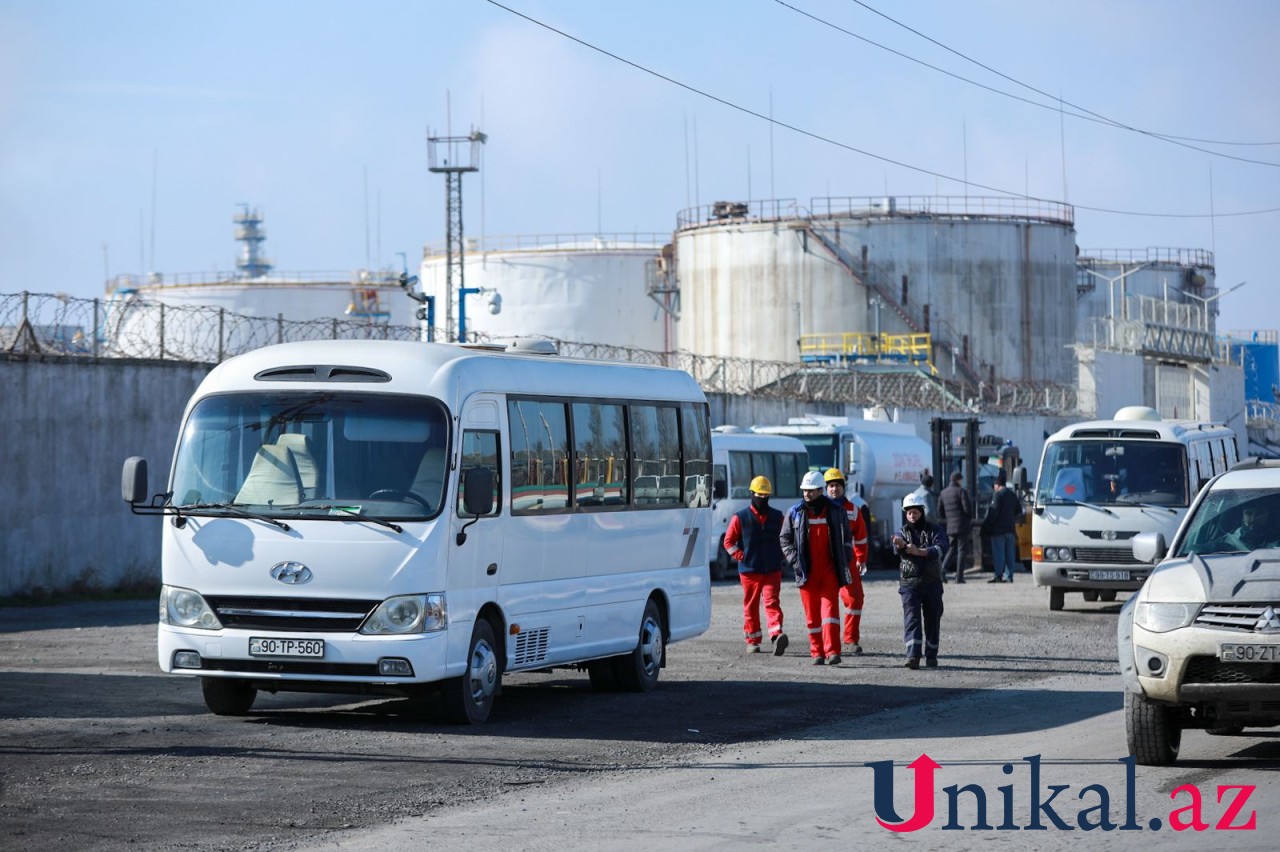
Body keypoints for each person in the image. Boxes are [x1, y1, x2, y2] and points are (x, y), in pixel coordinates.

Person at [780, 470, 854, 665]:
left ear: (821, 491)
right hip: (806, 572)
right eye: (805, 490)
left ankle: (833, 652)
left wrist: (846, 556)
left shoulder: (837, 512)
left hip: (829, 572)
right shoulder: (795, 512)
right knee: (812, 617)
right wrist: (795, 560)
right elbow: (784, 539)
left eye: (811, 490)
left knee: (830, 615)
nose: (807, 494)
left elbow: (848, 537)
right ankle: (817, 653)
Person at [723, 475, 789, 656]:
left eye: (765, 495)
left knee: (772, 602)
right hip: (749, 571)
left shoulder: (777, 517)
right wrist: (742, 556)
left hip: (772, 570)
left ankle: (776, 635)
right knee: (751, 606)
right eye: (759, 495)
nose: (762, 498)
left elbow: (786, 540)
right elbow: (728, 542)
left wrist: (781, 556)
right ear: (751, 494)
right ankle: (752, 641)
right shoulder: (740, 518)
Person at [892, 492, 948, 669]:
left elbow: (941, 548)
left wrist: (920, 552)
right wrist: (899, 546)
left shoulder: (935, 530)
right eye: (909, 513)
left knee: (933, 618)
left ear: (922, 512)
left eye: (915, 512)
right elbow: (896, 549)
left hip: (932, 583)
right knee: (912, 619)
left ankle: (931, 655)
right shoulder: (901, 532)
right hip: (909, 585)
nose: (912, 516)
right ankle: (913, 656)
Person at [823, 468, 870, 655]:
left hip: (847, 563)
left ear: (843, 487)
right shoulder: (819, 510)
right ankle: (828, 644)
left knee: (855, 598)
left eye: (837, 485)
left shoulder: (853, 510)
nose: (834, 489)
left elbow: (861, 538)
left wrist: (861, 559)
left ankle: (850, 639)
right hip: (824, 563)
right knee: (827, 603)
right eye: (831, 486)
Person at [982, 472, 1023, 583]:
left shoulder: (997, 495)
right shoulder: (1012, 495)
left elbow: (993, 512)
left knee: (999, 554)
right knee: (1010, 554)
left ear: (997, 484)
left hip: (998, 531)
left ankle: (998, 576)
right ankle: (1009, 576)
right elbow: (1019, 511)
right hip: (1010, 529)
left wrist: (986, 526)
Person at [935, 470, 973, 583]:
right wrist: (969, 517)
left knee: (952, 549)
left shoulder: (943, 493)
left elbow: (939, 510)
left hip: (950, 526)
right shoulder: (961, 491)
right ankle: (959, 577)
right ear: (958, 480)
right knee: (962, 550)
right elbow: (967, 509)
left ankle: (942, 570)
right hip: (962, 526)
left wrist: (948, 519)